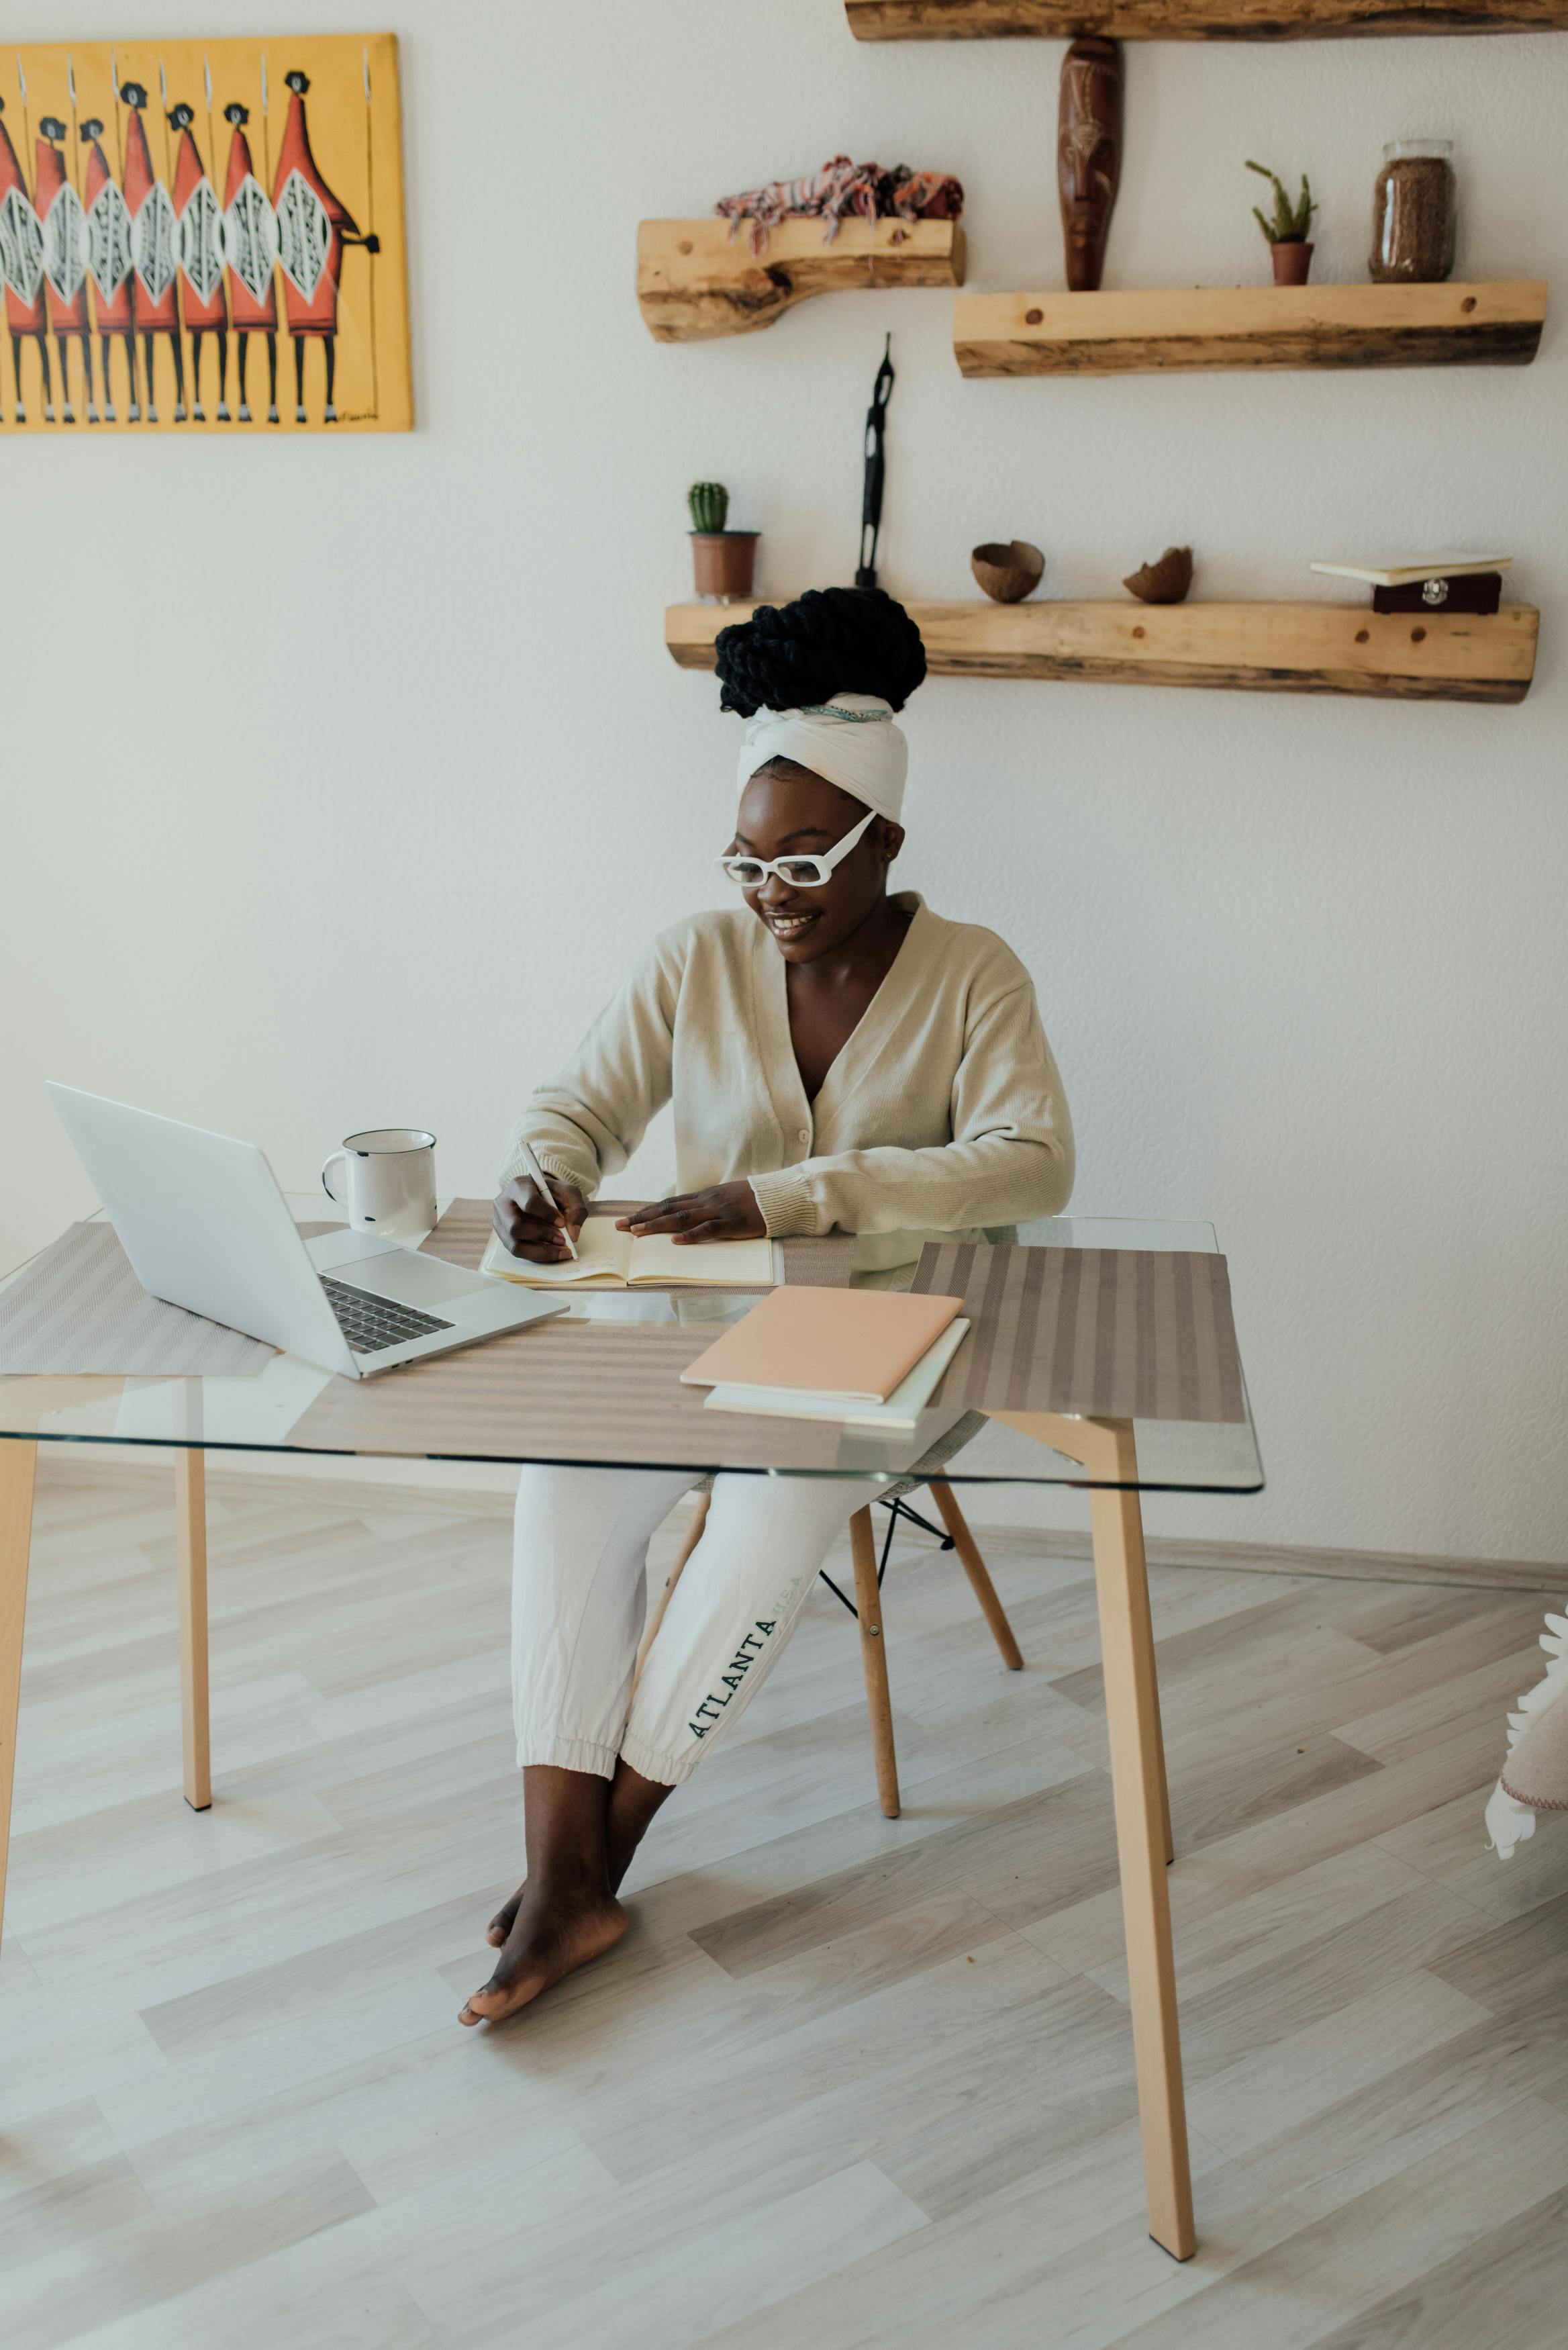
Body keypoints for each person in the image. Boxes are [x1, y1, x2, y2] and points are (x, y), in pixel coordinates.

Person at [461, 588, 1073, 2026]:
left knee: (773, 1513)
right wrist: (538, 1174)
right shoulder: (694, 957)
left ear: (885, 843)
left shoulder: (975, 974)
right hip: (687, 1331)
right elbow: (580, 1102)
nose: (770, 892)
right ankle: (565, 1868)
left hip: (879, 1342)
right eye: (747, 863)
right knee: (563, 1482)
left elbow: (1033, 1161)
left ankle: (591, 1862)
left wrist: (787, 1194)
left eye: (802, 860)